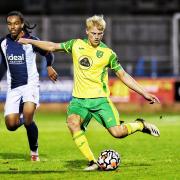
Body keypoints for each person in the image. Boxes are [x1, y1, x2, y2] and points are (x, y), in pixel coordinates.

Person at [18, 15, 160, 169]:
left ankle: (140, 125)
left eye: (100, 34)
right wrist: (30, 41)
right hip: (79, 101)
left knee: (118, 133)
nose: (96, 37)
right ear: (87, 31)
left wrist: (144, 93)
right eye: (93, 33)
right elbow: (52, 46)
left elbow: (123, 75)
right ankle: (93, 161)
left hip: (100, 101)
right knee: (72, 123)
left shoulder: (108, 54)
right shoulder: (76, 45)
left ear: (103, 33)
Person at [0, 11, 58, 161]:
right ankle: (23, 118)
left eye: (16, 23)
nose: (12, 27)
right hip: (13, 88)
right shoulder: (3, 43)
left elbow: (48, 52)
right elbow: (2, 66)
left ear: (22, 24)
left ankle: (34, 152)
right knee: (11, 125)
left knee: (28, 118)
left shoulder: (31, 41)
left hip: (30, 85)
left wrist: (50, 66)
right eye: (9, 23)